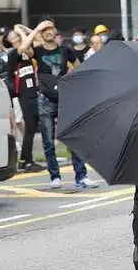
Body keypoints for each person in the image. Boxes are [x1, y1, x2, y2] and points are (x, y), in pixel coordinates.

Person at [16, 19, 99, 189]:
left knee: (73, 137)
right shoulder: (38, 51)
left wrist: (72, 83)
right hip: (45, 99)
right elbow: (23, 48)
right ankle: (55, 176)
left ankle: (81, 176)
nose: (48, 32)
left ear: (55, 32)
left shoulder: (65, 50)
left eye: (50, 29)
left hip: (65, 97)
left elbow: (79, 68)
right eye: (44, 30)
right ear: (41, 33)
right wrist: (37, 29)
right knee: (48, 141)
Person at [6, 29, 44, 172]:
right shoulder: (13, 53)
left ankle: (26, 159)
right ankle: (25, 161)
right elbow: (24, 44)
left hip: (33, 92)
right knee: (29, 126)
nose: (17, 35)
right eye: (14, 35)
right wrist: (26, 32)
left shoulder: (28, 53)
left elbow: (38, 41)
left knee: (32, 127)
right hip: (23, 94)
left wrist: (23, 28)